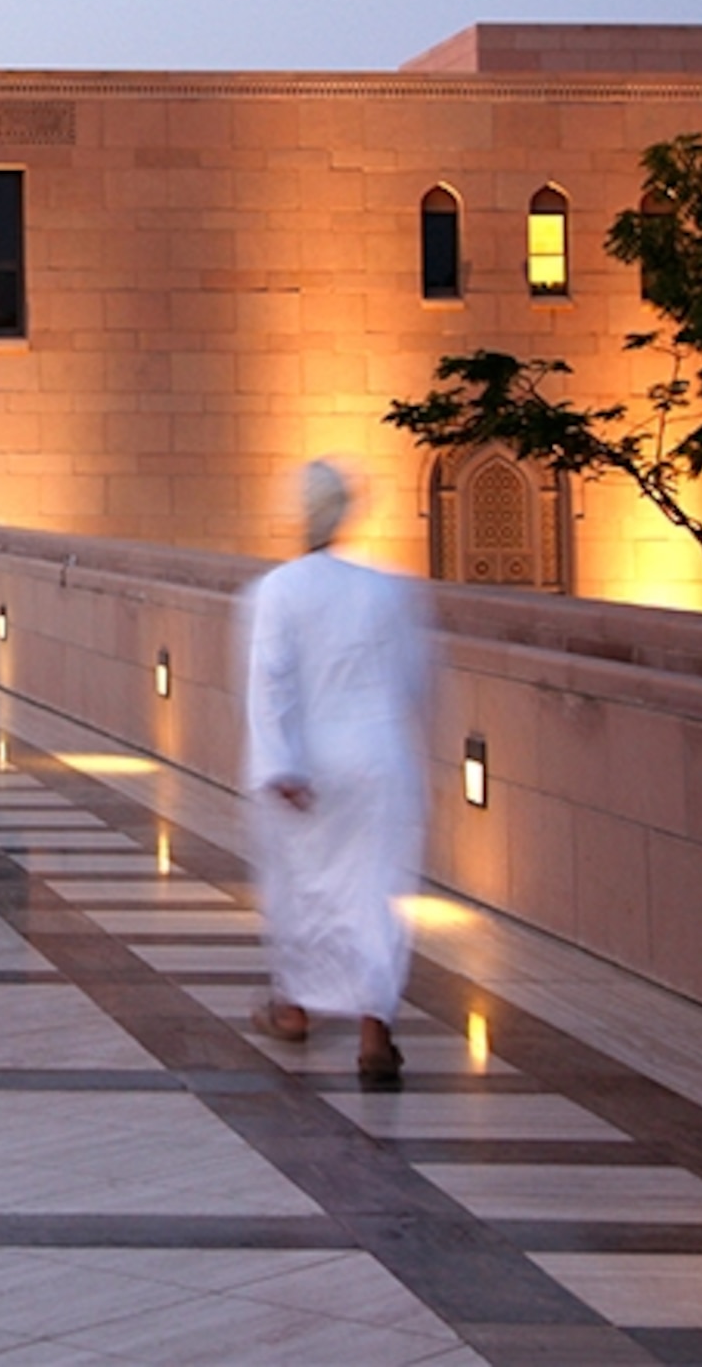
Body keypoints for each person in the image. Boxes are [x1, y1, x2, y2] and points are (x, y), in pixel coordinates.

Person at [242, 458, 437, 1085]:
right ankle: (374, 1031)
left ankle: (293, 1008)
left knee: (303, 889)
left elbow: (270, 684)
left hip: (312, 760)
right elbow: (416, 679)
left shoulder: (280, 589)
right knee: (372, 893)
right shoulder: (388, 588)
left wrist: (279, 763)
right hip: (381, 758)